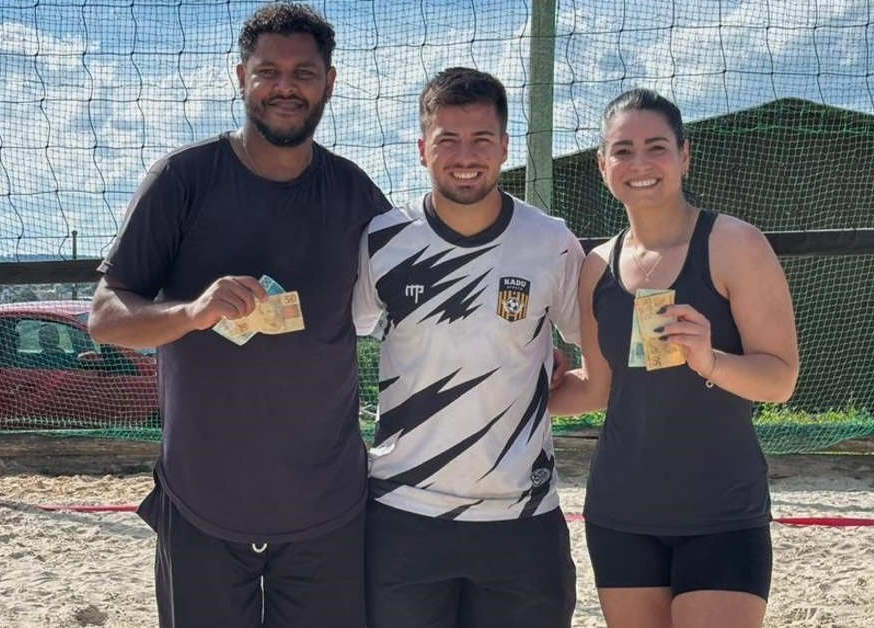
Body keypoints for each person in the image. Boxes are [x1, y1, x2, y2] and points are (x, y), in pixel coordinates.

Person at [87, 2, 390, 627]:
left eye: (304, 73)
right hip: (203, 501)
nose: (286, 86)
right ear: (240, 78)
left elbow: (418, 299)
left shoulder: (355, 193)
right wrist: (191, 312)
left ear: (329, 83)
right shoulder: (181, 179)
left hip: (328, 507)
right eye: (268, 71)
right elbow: (107, 317)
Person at [549, 88, 799, 628]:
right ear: (602, 165)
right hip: (621, 512)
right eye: (622, 150)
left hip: (721, 510)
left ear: (684, 155)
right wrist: (520, 391)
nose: (639, 164)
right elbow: (596, 387)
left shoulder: (735, 244)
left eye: (655, 147)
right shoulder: (597, 265)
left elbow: (780, 379)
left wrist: (711, 361)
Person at [352, 67, 583, 628]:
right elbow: (334, 345)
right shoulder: (383, 238)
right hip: (403, 514)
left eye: (482, 139)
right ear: (421, 147)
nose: (465, 155)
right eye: (447, 139)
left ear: (505, 146)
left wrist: (529, 398)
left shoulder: (551, 242)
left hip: (522, 518)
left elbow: (598, 364)